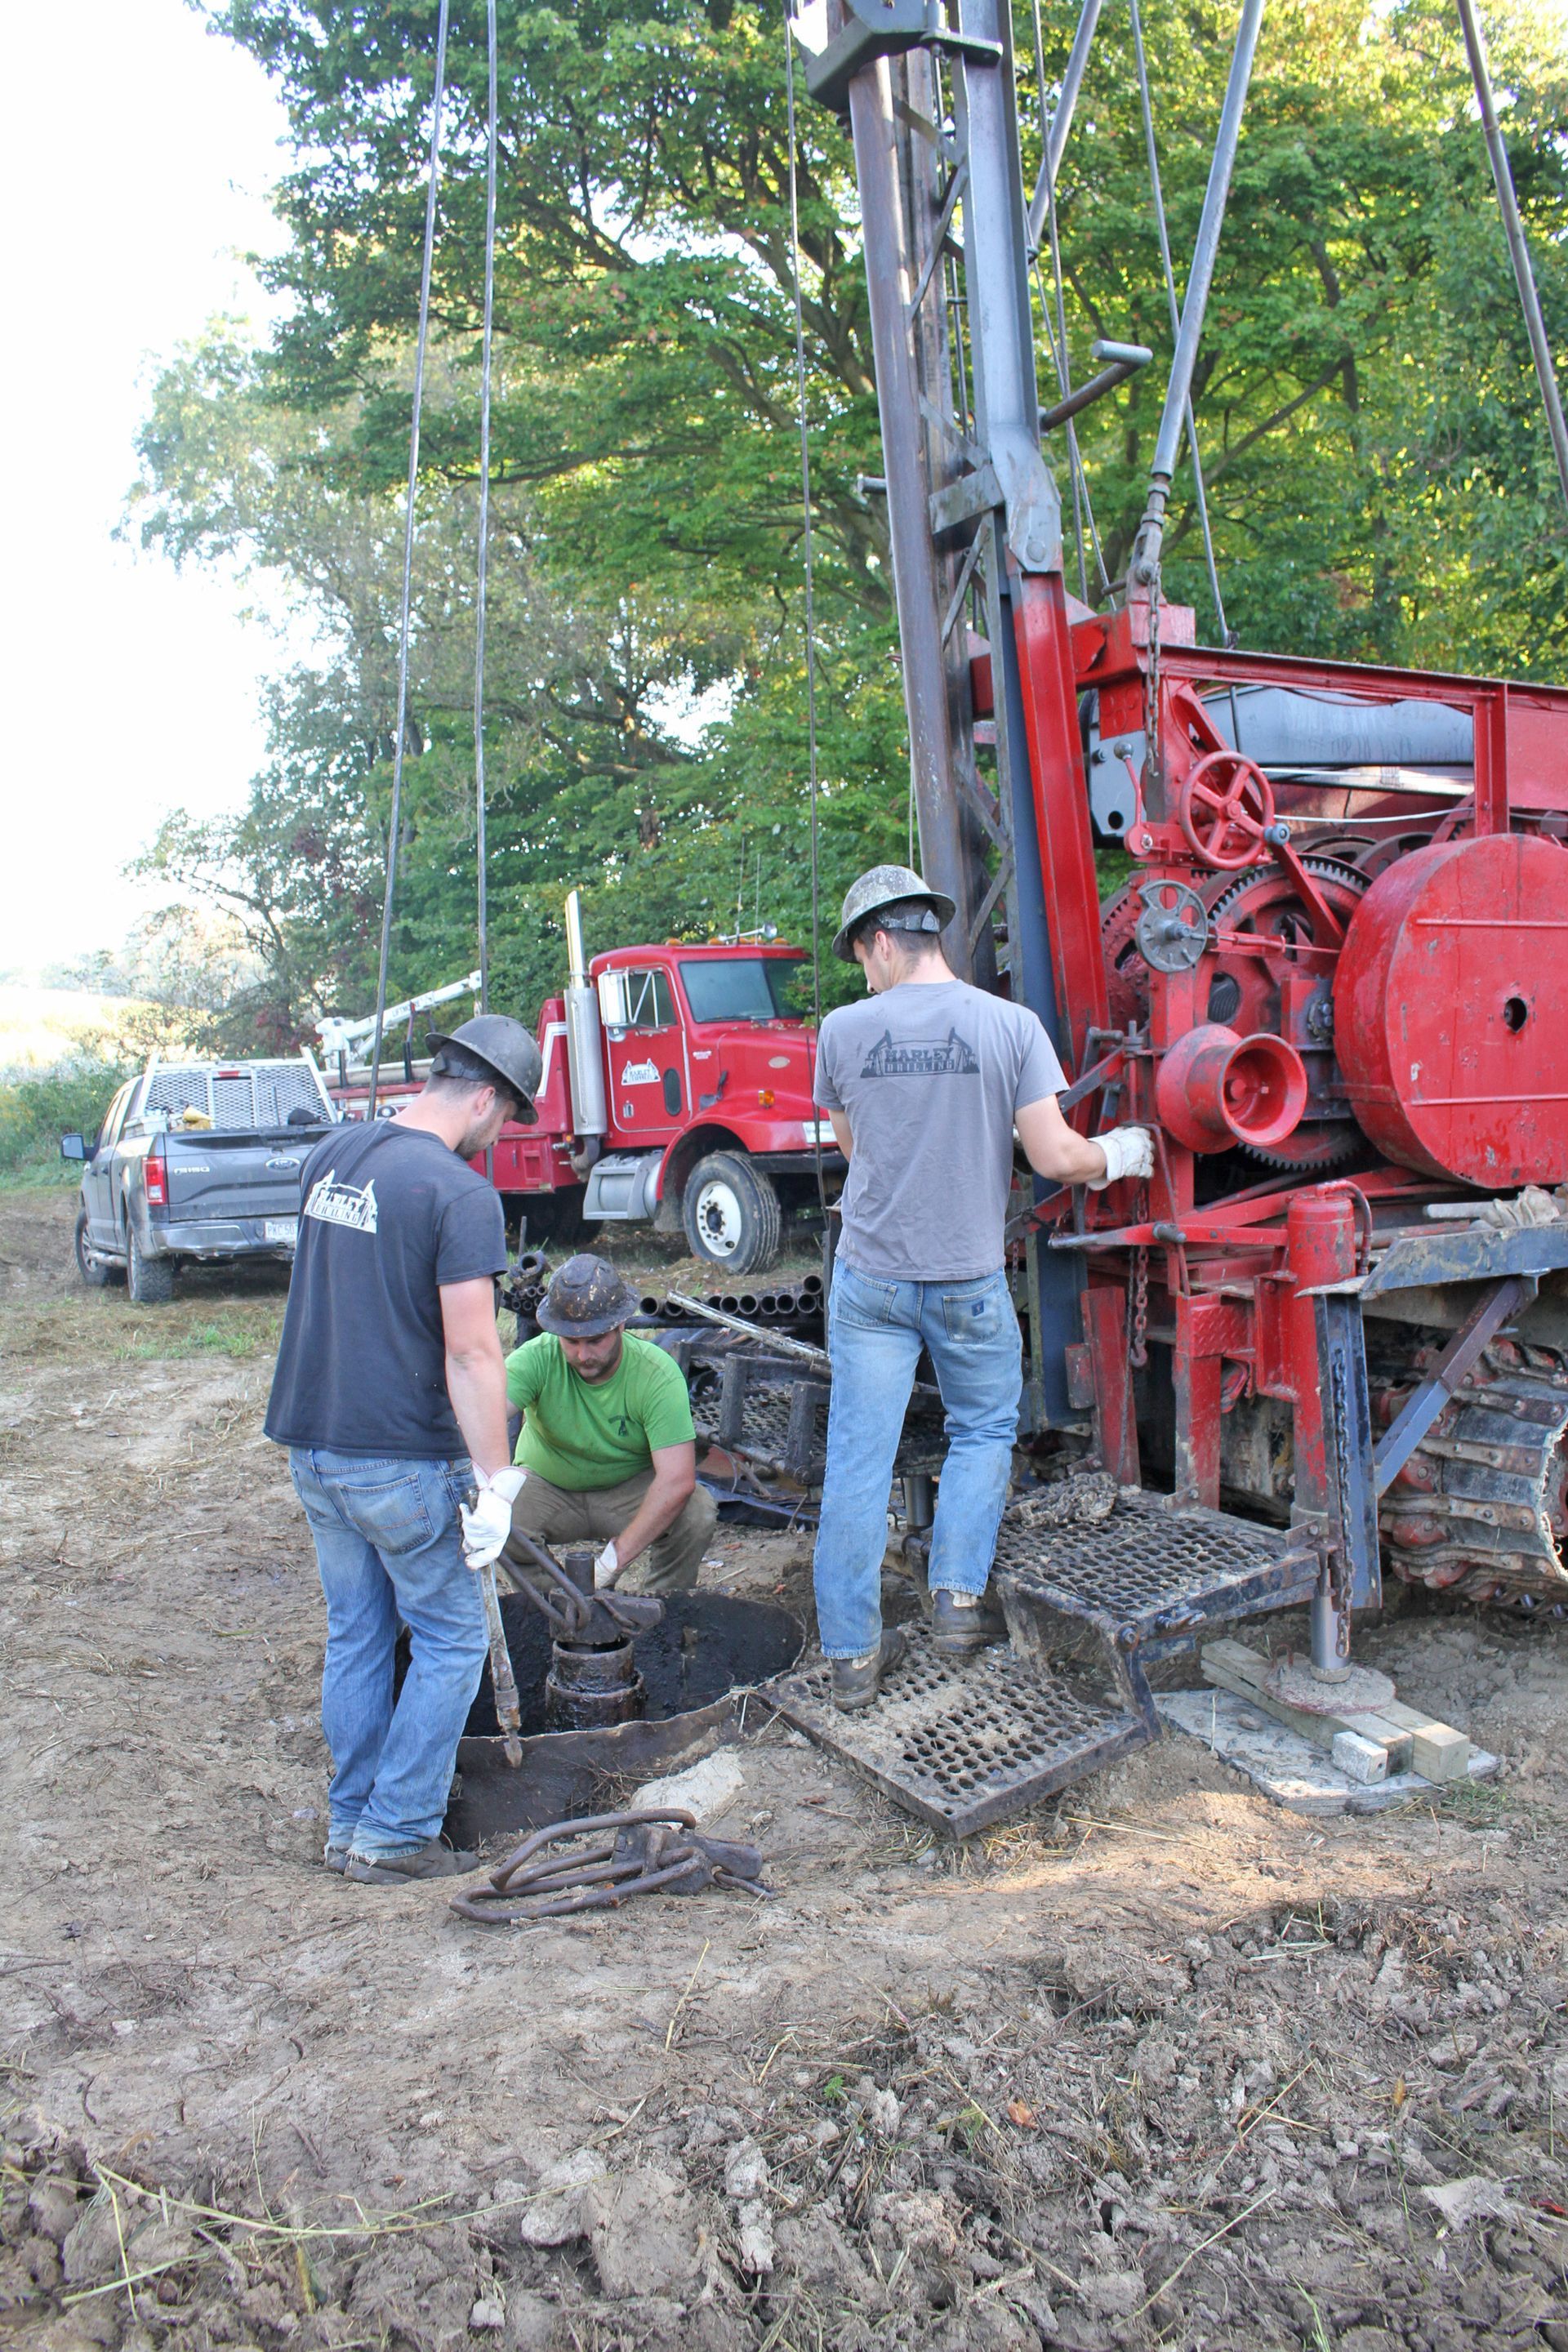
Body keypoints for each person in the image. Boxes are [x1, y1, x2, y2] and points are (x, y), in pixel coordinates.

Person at [812, 864, 1154, 1710]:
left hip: (872, 1281)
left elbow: (856, 1148)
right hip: (966, 1278)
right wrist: (1125, 1151)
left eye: (863, 956)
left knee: (858, 1463)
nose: (865, 972)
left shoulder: (842, 1031)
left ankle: (852, 1659)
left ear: (881, 941)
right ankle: (957, 1603)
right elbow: (1056, 1159)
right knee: (983, 1430)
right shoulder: (1009, 1026)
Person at [265, 1013, 542, 1882]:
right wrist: (496, 1484)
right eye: (509, 1118)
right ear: (487, 1096)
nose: (503, 1136)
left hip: (313, 1438)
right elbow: (471, 1352)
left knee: (355, 1633)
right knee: (451, 1641)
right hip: (401, 1458)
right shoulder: (458, 1195)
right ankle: (395, 1836)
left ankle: (349, 1822)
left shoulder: (334, 1156)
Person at [503, 1254, 716, 1592]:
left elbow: (677, 1479)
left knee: (696, 1511)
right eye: (571, 1342)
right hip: (549, 1488)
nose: (583, 1355)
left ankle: (662, 1614)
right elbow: (481, 1418)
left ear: (620, 1325)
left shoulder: (656, 1373)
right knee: (497, 1513)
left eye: (595, 1341)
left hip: (627, 1491)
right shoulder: (536, 1358)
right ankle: (551, 1610)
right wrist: (488, 1480)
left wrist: (611, 1563)